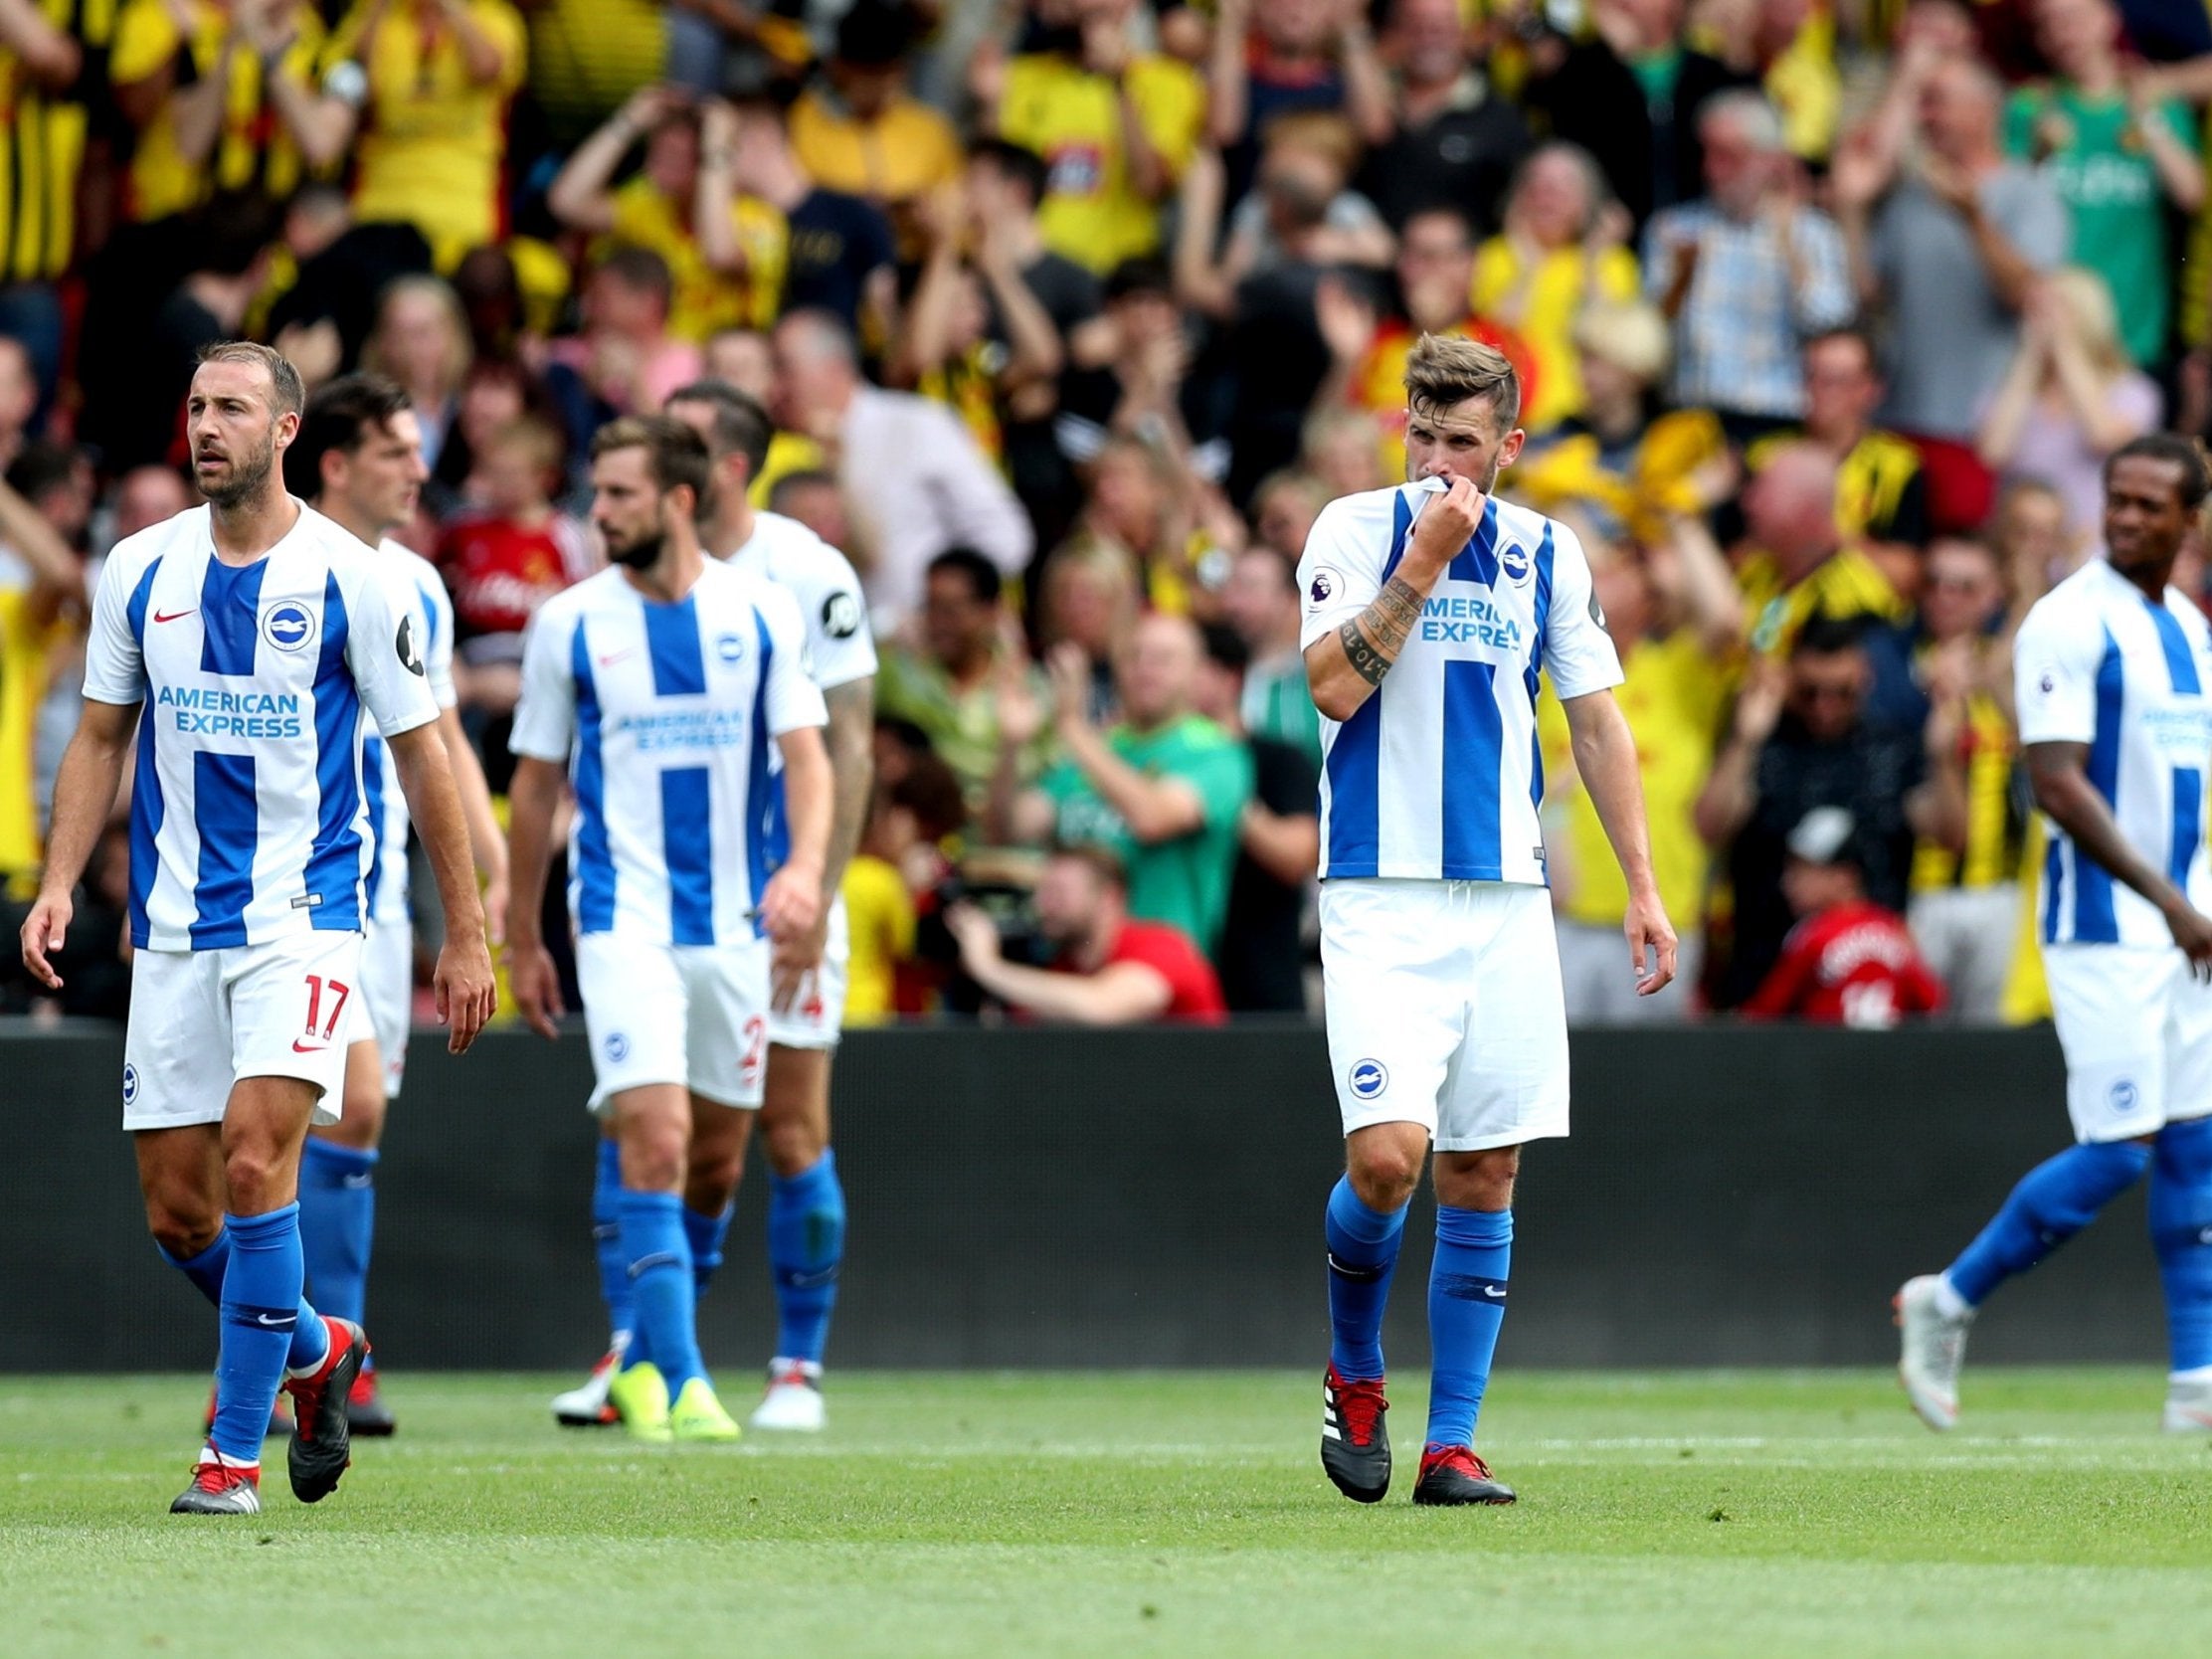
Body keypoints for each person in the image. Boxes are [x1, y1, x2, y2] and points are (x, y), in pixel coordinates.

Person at [17, 341, 496, 1514]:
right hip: (176, 925)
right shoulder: (140, 567)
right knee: (177, 1211)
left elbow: (424, 751)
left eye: (231, 406)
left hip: (307, 916)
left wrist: (467, 929)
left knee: (251, 1161)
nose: (205, 425)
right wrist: (58, 879)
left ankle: (229, 1459)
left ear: (288, 431)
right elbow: (98, 736)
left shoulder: (354, 578)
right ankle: (318, 1349)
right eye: (194, 405)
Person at [1296, 334, 1676, 1506]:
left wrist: (1644, 885)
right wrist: (1420, 565)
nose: (1436, 461)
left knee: (1486, 1168)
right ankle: (1354, 1369)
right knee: (1387, 1160)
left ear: (1509, 445)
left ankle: (1451, 1443)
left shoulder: (1551, 554)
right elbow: (1330, 686)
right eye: (1420, 433)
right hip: (1377, 888)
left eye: (1461, 440)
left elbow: (1598, 723)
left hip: (1505, 895)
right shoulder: (1356, 532)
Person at [504, 415, 832, 1446]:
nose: (598, 514)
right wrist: (519, 933)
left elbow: (809, 761)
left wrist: (804, 876)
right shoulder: (569, 624)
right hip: (620, 919)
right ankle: (681, 1381)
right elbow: (534, 783)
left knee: (717, 1162)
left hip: (734, 924)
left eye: (619, 496)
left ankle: (639, 1359)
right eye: (596, 494)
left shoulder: (764, 612)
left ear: (679, 501)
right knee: (655, 1135)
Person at [1897, 435, 2212, 1435]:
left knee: (2195, 1148)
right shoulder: (2065, 622)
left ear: (2187, 519)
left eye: (2149, 505)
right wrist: (2169, 900)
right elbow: (2058, 783)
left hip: (2187, 924)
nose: (2125, 517)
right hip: (2105, 925)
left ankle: (2196, 1386)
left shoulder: (2189, 629)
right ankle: (1944, 1299)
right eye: (2115, 499)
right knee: (2119, 1150)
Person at [280, 373, 507, 1436]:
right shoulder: (266, 564)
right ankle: (310, 1354)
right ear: (334, 462)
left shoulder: (417, 581)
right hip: (282, 888)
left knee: (354, 1117)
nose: (422, 469)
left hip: (372, 892)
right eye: (396, 452)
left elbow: (440, 731)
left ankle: (325, 1360)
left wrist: (488, 846)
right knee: (322, 1114)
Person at [654, 378, 876, 1432]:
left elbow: (850, 745)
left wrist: (816, 897)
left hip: (779, 891)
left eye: (679, 445)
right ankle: (657, 1361)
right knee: (670, 1131)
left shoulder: (806, 573)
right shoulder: (640, 566)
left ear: (731, 466)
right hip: (665, 891)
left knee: (787, 1127)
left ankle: (797, 1368)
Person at [1833, 57, 2069, 533]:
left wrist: (1973, 217)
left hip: (1980, 429)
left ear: (1983, 111)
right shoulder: (1909, 195)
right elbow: (1868, 293)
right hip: (1898, 420)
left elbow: (2028, 295)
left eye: (1937, 103)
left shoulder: (2029, 193)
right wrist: (1852, 208)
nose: (1926, 117)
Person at [1697, 615, 1962, 1008]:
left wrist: (1943, 757)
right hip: (1766, 972)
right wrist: (1745, 741)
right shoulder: (1764, 748)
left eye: (1842, 692)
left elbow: (1952, 836)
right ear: (1789, 680)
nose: (1825, 707)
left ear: (1865, 679)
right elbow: (1709, 827)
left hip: (1868, 974)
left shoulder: (1892, 749)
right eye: (1810, 692)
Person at [993, 613, 1254, 960]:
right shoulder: (1098, 748)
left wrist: (1072, 728)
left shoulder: (1216, 752)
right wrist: (1011, 745)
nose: (1145, 669)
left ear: (1196, 672)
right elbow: (1008, 828)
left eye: (1163, 659)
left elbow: (1152, 818)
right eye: (1133, 656)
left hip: (1159, 976)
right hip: (1070, 969)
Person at [769, 308, 1031, 634]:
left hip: (921, 651)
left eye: (784, 369)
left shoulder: (915, 424)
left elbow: (1005, 537)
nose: (774, 387)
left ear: (833, 368)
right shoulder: (781, 450)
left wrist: (940, 615)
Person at [1862, 536, 2027, 1022]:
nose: (1945, 597)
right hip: (1918, 890)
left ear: (1993, 594)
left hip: (2002, 889)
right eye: (1934, 583)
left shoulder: (2008, 669)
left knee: (1992, 1039)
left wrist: (1987, 679)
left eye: (1964, 587)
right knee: (1914, 1031)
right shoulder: (1891, 662)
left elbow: (2038, 749)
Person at [2005, 0, 2202, 371]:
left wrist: (2147, 118)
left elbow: (2190, 193)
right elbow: (2005, 209)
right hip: (2054, 329)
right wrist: (2037, 154)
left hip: (2136, 332)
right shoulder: (2029, 106)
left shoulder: (2155, 101)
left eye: (2072, 19)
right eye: (2047, 25)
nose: (2062, 35)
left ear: (2108, 19)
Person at [1644, 91, 1851, 440]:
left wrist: (1788, 244)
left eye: (1728, 156)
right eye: (1707, 153)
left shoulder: (1812, 234)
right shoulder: (1673, 228)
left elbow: (1830, 321)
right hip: (1691, 413)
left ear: (1767, 160)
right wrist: (1681, 279)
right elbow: (1650, 338)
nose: (1712, 169)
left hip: (1773, 416)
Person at [976, 0, 1206, 275]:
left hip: (1117, 280)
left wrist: (1119, 84)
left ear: (1129, 6)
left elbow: (1149, 184)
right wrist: (989, 107)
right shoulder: (1019, 76)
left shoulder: (1171, 83)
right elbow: (993, 184)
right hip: (1031, 270)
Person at [320, 0, 529, 271]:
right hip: (383, 193)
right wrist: (378, 9)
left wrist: (453, 7)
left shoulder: (495, 16)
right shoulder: (377, 14)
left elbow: (486, 70)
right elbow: (357, 86)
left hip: (465, 196)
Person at [1976, 269, 2161, 552]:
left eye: (2054, 312)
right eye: (2035, 312)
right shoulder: (2012, 389)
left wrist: (2065, 348)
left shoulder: (2132, 391)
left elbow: (2103, 437)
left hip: (2095, 552)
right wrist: (2030, 357)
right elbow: (1993, 452)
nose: (2041, 322)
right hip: (2021, 556)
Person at [945, 844, 1225, 1024]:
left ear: (1109, 898)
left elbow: (1102, 1007)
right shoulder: (1065, 969)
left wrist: (988, 967)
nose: (1042, 905)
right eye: (1042, 892)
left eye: (1059, 893)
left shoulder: (1159, 945)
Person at [1471, 142, 1638, 436]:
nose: (1547, 196)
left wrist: (1593, 258)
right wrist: (1527, 263)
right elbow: (1496, 336)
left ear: (1590, 200)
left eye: (1563, 186)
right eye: (1537, 184)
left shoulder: (1612, 263)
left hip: (1585, 420)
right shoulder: (1494, 257)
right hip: (1516, 419)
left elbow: (1611, 341)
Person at [1195, 622, 1319, 1014]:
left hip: (1262, 991)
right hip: (1170, 990)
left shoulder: (1278, 759)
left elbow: (1297, 857)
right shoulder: (1142, 759)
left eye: (1174, 662)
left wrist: (1224, 789)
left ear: (1227, 678)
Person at [873, 545, 1053, 812]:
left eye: (952, 610)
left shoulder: (1028, 688)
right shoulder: (899, 674)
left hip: (998, 835)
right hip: (917, 827)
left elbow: (1047, 774)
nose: (939, 622)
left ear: (990, 612)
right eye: (931, 607)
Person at [1745, 329, 1931, 585]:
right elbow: (1731, 559)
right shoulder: (1766, 455)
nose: (1819, 390)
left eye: (1835, 380)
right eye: (1811, 375)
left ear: (1871, 389)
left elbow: (1908, 576)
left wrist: (1828, 533)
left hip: (1861, 615)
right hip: (1772, 608)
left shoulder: (1897, 466)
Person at [1743, 806, 1946, 1025]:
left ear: (1845, 876)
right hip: (1890, 1056)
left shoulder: (1813, 934)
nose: (1789, 882)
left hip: (1827, 1055)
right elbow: (1933, 1004)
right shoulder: (1894, 930)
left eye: (1803, 870)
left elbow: (1764, 1013)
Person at [1357, 0, 1528, 235]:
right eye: (1417, 28)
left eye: (1441, 29)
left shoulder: (1499, 118)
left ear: (1466, 36)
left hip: (1462, 265)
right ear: (1396, 34)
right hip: (1366, 261)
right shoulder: (1366, 100)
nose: (1428, 39)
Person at [1221, 542, 1323, 767]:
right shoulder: (1215, 676)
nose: (1234, 604)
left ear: (1290, 598)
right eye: (1230, 588)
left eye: (1249, 588)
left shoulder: (1319, 675)